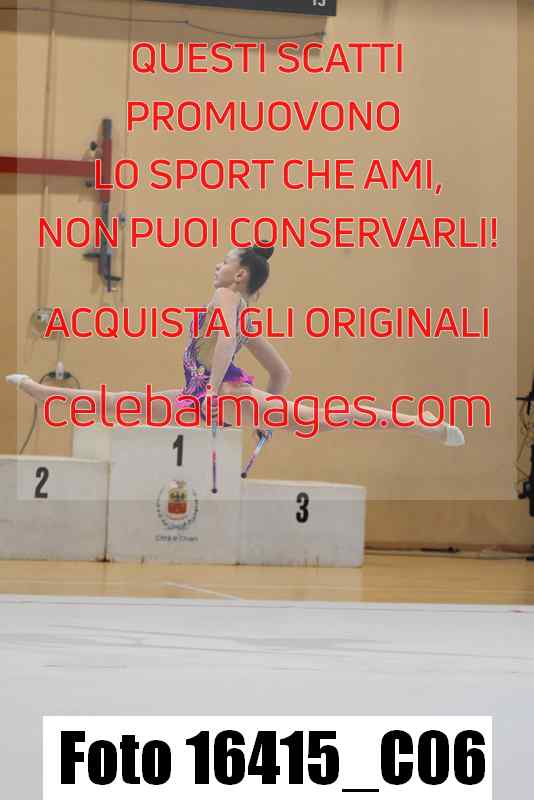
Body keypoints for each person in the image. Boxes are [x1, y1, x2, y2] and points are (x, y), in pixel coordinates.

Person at [6, 244, 464, 445]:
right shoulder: (243, 312)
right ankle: (44, 393)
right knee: (128, 403)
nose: (217, 266)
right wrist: (266, 420)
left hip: (221, 396)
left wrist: (214, 389)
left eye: (224, 261)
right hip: (211, 398)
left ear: (239, 274)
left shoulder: (226, 298)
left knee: (126, 403)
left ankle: (421, 424)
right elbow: (281, 373)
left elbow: (225, 340)